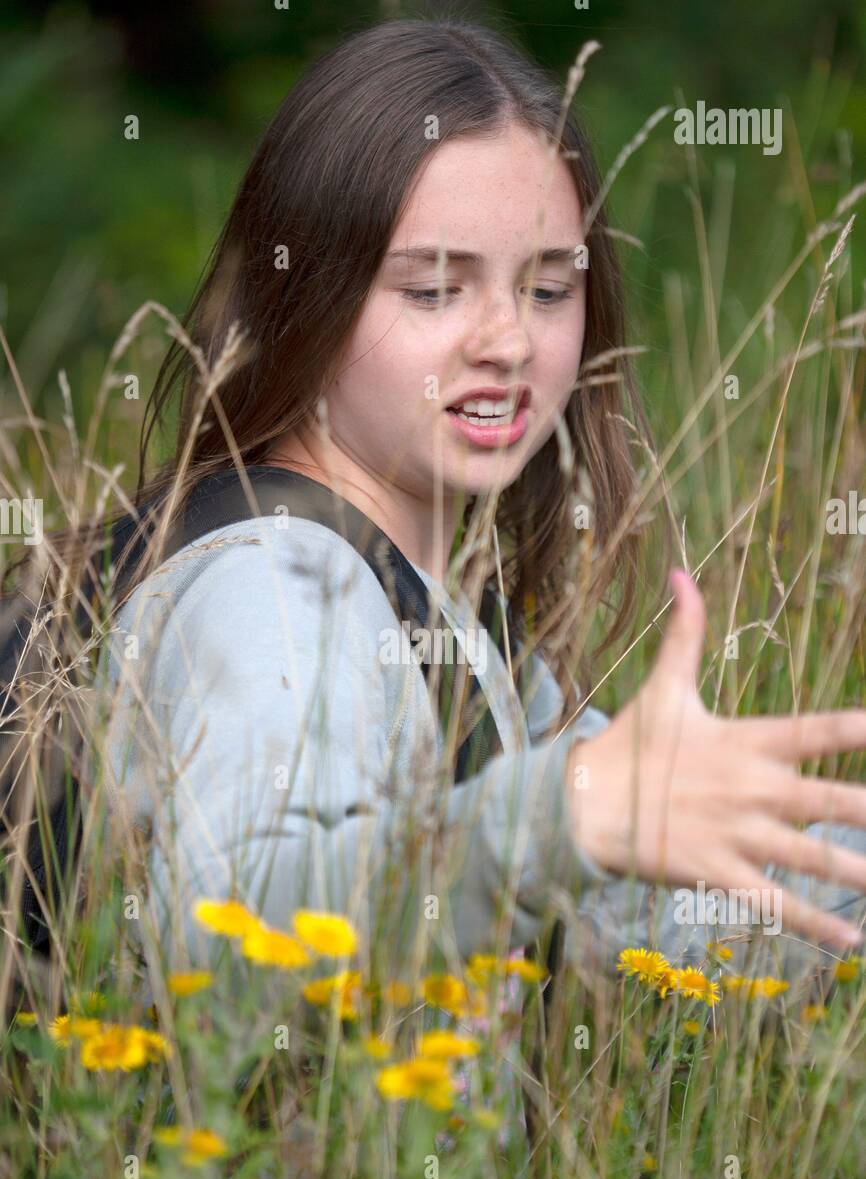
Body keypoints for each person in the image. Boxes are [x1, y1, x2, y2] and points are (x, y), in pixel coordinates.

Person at [87, 17, 865, 1010]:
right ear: (308, 297)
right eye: (433, 288)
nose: (506, 339)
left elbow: (664, 905)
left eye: (547, 288)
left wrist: (592, 823)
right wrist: (562, 820)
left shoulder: (443, 619)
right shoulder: (276, 587)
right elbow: (233, 924)